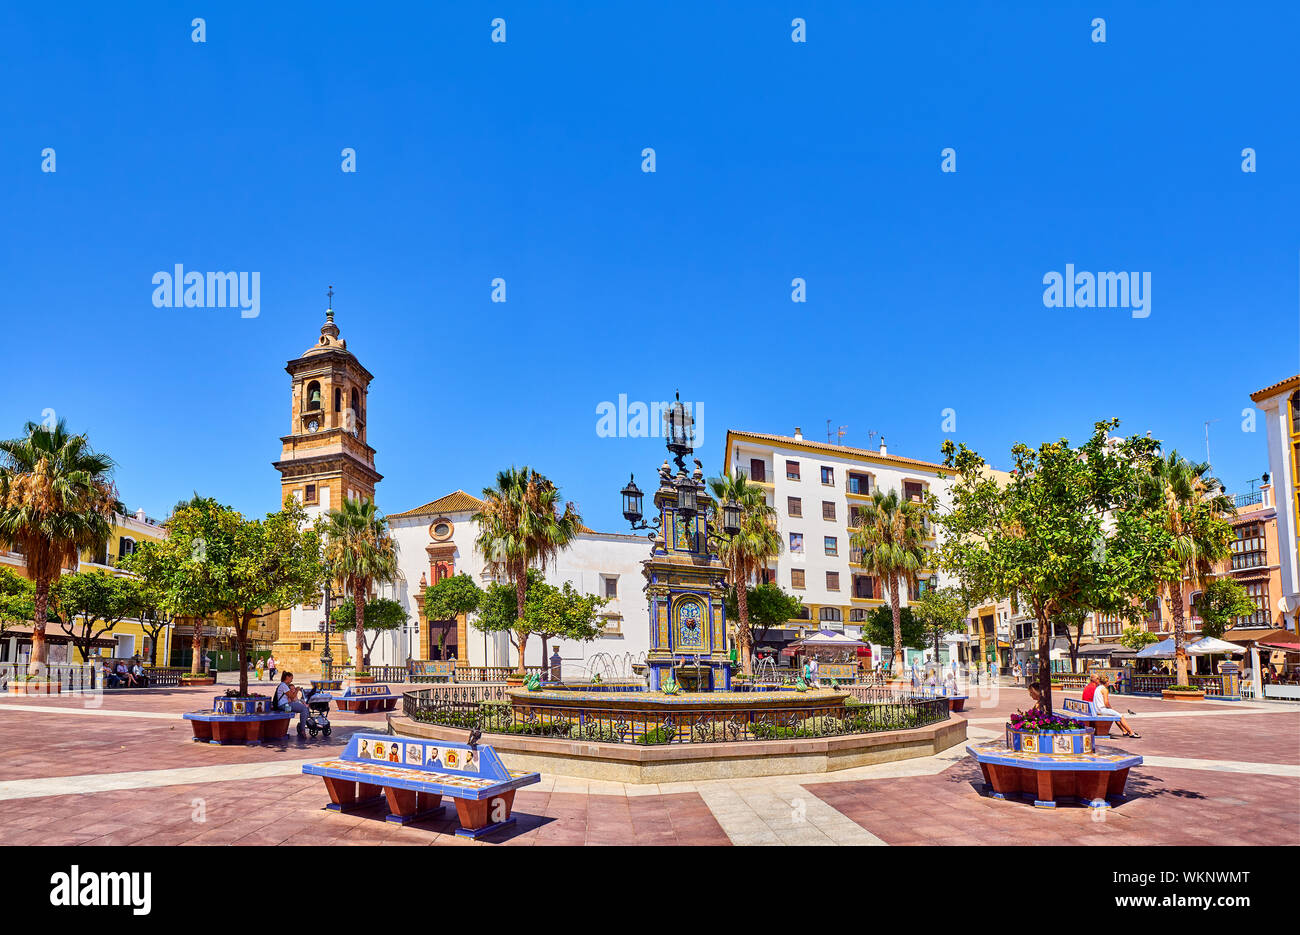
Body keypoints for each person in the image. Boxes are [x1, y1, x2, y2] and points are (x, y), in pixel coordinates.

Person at [1093, 673, 1139, 738]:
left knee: (1115, 714)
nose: (1109, 682)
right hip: (1102, 710)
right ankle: (1131, 732)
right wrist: (1111, 708)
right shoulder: (1104, 690)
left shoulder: (1097, 688)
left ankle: (1124, 731)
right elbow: (1106, 703)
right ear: (1106, 682)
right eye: (1108, 681)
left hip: (1097, 709)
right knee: (1121, 716)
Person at [273, 671, 311, 738]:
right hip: (284, 706)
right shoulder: (283, 686)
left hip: (285, 705)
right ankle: (302, 729)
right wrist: (297, 690)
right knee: (304, 708)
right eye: (291, 678)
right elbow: (292, 696)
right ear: (287, 677)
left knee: (303, 707)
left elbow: (292, 698)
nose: (291, 680)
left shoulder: (284, 685)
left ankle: (302, 725)